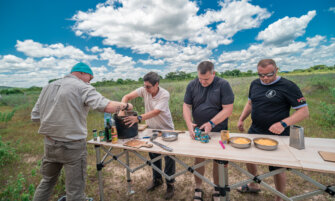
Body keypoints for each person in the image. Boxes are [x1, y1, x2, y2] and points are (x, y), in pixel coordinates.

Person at [31, 62, 133, 201]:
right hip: (72, 146)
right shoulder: (82, 86)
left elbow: (35, 116)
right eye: (90, 79)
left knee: (47, 181)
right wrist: (126, 105)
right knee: (75, 191)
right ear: (83, 73)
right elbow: (107, 106)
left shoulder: (47, 87)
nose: (90, 82)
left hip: (50, 144)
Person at [237, 59, 309, 201]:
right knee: (249, 158)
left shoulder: (288, 86)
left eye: (269, 75)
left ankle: (279, 197)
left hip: (279, 134)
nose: (264, 78)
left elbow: (304, 111)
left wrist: (283, 123)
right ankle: (253, 184)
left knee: (277, 168)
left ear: (276, 70)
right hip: (255, 129)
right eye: (261, 75)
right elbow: (250, 103)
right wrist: (241, 119)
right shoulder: (255, 84)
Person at [183, 61, 234, 201]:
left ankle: (218, 188)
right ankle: (198, 188)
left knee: (220, 161)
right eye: (200, 78)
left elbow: (228, 109)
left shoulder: (223, 85)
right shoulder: (192, 85)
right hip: (199, 131)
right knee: (198, 159)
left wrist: (212, 123)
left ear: (214, 73)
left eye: (206, 79)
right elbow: (186, 106)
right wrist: (188, 124)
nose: (203, 82)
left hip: (221, 133)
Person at [121, 71, 176, 200]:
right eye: (144, 86)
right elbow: (126, 96)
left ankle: (170, 184)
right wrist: (122, 107)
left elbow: (156, 111)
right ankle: (157, 180)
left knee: (169, 157)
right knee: (153, 155)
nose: (145, 89)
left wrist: (138, 118)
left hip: (166, 129)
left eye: (148, 86)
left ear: (156, 84)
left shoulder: (164, 94)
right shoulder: (144, 90)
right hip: (152, 128)